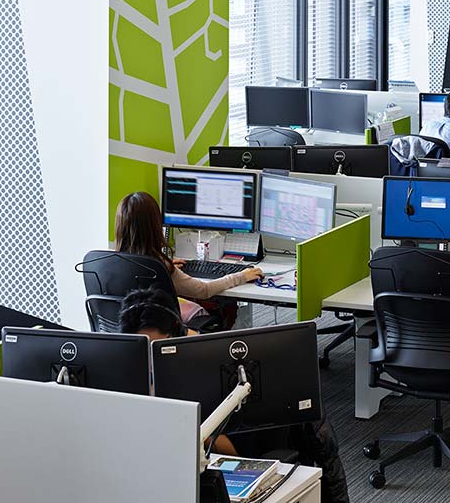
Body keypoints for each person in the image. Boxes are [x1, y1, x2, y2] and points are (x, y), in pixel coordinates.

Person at [118, 287, 351, 503]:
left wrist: (198, 432)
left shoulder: (200, 362)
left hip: (224, 441)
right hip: (175, 461)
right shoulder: (126, 376)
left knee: (307, 406)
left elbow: (228, 449)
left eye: (158, 349)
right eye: (144, 349)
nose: (151, 358)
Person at [114, 191, 263, 310]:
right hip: (162, 332)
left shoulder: (109, 262)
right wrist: (242, 276)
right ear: (154, 225)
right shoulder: (159, 266)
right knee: (226, 307)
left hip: (122, 332)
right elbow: (203, 290)